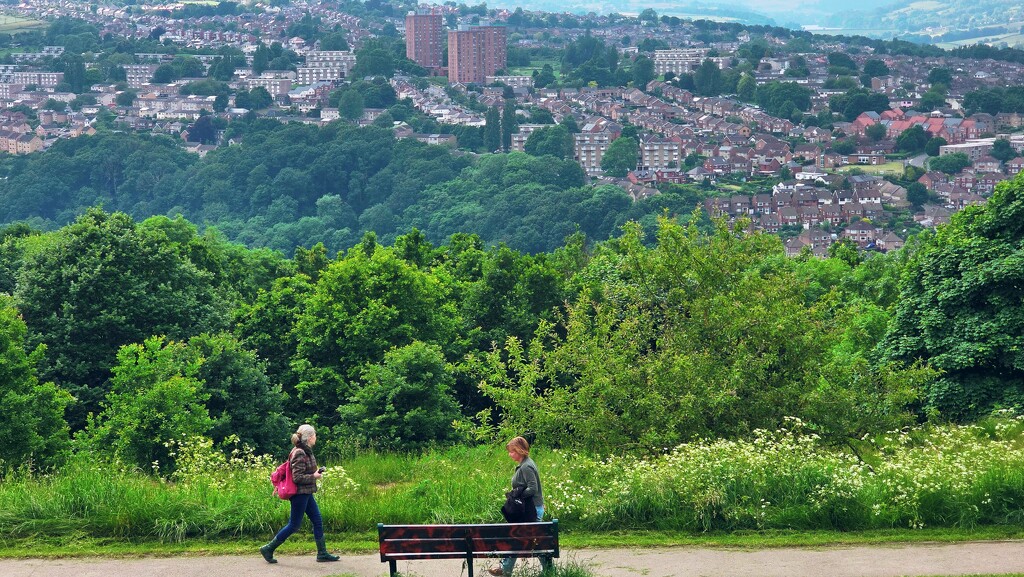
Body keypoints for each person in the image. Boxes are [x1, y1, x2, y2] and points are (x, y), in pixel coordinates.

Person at [259, 424, 340, 563]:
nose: (316, 437)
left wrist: (315, 473)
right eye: (315, 434)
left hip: (306, 493)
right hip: (299, 494)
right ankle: (268, 548)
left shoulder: (305, 450)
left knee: (317, 521)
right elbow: (297, 478)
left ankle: (322, 553)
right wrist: (314, 476)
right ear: (309, 438)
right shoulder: (300, 452)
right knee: (294, 525)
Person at [489, 436, 553, 576]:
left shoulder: (527, 466)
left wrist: (518, 495)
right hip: (529, 509)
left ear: (520, 450)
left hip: (531, 510)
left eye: (512, 451)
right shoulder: (524, 464)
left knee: (533, 541)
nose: (510, 454)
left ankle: (548, 571)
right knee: (522, 539)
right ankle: (505, 568)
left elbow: (533, 488)